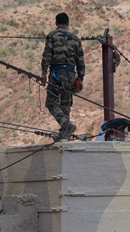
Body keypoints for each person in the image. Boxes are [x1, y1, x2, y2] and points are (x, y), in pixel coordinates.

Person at [41, 12, 85, 141]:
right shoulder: (76, 39)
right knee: (65, 104)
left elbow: (47, 56)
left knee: (50, 102)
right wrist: (80, 78)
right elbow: (81, 61)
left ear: (56, 23)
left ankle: (66, 125)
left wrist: (44, 73)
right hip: (71, 74)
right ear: (68, 23)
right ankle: (65, 136)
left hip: (57, 73)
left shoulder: (52, 36)